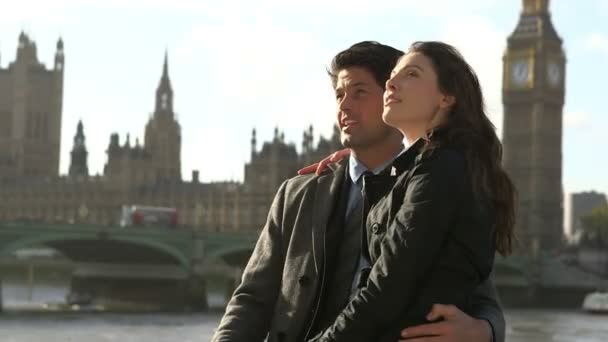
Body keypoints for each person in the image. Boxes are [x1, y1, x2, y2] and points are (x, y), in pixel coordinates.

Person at [211, 41, 506, 342]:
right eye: (339, 95)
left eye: (359, 93)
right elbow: (251, 300)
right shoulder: (297, 194)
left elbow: (476, 289)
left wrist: (486, 330)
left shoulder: (428, 182)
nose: (344, 105)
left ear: (389, 99)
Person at [303, 41, 516, 342]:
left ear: (446, 97)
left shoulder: (442, 168)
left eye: (411, 75)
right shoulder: (427, 168)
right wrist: (353, 158)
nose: (392, 82)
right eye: (393, 75)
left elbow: (386, 287)